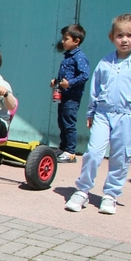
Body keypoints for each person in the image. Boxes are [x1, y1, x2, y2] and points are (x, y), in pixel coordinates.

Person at [65, 14, 131, 215]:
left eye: (130, 35)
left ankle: (110, 195)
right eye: (119, 35)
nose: (124, 40)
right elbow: (95, 89)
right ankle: (82, 190)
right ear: (112, 37)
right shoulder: (105, 62)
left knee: (121, 156)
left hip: (127, 116)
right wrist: (91, 112)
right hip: (103, 114)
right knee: (93, 152)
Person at [50, 24, 90, 163]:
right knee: (62, 121)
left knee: (69, 123)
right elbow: (66, 74)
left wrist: (70, 83)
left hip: (72, 96)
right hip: (63, 95)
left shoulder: (79, 57)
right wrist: (57, 81)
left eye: (66, 38)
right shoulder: (68, 56)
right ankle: (63, 147)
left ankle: (71, 152)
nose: (62, 41)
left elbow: (85, 75)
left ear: (76, 41)